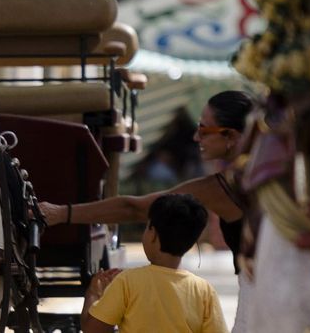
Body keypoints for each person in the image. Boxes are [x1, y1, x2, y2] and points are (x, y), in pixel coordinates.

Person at [42, 92, 252, 327]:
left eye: (204, 130)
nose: (195, 137)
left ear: (230, 136)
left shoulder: (224, 188)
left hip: (260, 298)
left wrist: (60, 213)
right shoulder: (203, 291)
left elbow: (134, 209)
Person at [82, 193, 228, 333]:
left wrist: (93, 294)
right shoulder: (204, 290)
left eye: (147, 227)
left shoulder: (127, 281)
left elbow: (93, 329)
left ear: (153, 235)